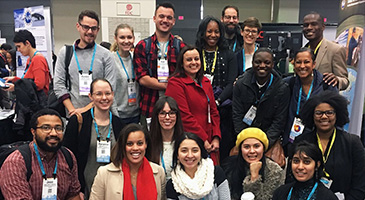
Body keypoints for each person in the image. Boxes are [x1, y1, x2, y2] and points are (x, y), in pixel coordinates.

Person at [294, 90, 365, 199]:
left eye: (329, 112)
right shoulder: (301, 141)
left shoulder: (352, 143)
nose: (324, 117)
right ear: (312, 115)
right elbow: (292, 178)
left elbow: (360, 184)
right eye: (318, 113)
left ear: (337, 114)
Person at [0, 109, 81, 200]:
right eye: (46, 128)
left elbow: (73, 194)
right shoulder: (16, 162)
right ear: (33, 132)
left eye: (58, 128)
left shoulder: (67, 156)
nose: (53, 133)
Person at [63, 78, 124, 199]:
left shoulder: (119, 124)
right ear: (91, 96)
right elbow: (67, 158)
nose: (104, 98)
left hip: (113, 189)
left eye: (107, 93)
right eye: (99, 94)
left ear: (113, 94)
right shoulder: (78, 121)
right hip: (85, 188)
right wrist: (75, 190)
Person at [54, 10, 118, 118]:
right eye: (86, 27)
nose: (89, 31)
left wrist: (84, 110)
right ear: (78, 26)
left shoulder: (106, 55)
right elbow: (59, 85)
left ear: (98, 30)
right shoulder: (65, 53)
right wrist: (73, 111)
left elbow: (110, 89)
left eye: (93, 28)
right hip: (73, 115)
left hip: (101, 115)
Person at [133, 2, 185, 130]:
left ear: (174, 21)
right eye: (161, 16)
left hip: (175, 108)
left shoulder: (181, 47)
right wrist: (170, 85)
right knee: (149, 145)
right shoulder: (142, 46)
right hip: (149, 106)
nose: (165, 20)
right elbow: (142, 78)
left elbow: (184, 77)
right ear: (154, 18)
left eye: (169, 18)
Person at [165, 45, 221, 165]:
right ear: (182, 63)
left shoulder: (206, 82)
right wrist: (203, 139)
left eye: (196, 59)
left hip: (210, 139)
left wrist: (216, 137)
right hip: (189, 139)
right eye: (189, 60)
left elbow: (214, 111)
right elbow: (184, 116)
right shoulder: (175, 83)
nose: (193, 62)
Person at [195, 16, 237, 162]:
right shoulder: (195, 52)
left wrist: (216, 102)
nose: (213, 35)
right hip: (199, 108)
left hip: (222, 109)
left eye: (217, 32)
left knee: (222, 147)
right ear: (202, 33)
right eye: (209, 31)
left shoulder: (228, 54)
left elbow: (231, 82)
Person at [89, 123, 166, 200]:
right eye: (130, 144)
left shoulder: (159, 172)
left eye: (140, 143)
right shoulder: (104, 173)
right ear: (123, 146)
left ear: (146, 144)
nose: (135, 148)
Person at [283, 48, 337, 153]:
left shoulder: (327, 84)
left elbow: (336, 116)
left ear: (313, 64)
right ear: (294, 64)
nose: (302, 66)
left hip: (320, 144)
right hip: (293, 143)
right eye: (298, 62)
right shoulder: (288, 84)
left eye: (306, 62)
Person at [233, 48, 289, 148]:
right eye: (258, 62)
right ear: (252, 63)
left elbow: (279, 122)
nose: (262, 66)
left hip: (269, 140)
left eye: (267, 62)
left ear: (273, 64)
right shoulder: (241, 84)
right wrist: (246, 141)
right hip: (245, 138)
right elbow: (237, 116)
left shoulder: (282, 88)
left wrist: (264, 144)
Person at [222, 127, 284, 200]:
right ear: (240, 149)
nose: (252, 151)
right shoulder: (228, 167)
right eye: (247, 147)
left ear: (263, 148)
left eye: (256, 146)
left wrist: (254, 177)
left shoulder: (275, 171)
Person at [166, 132, 231, 200]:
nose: (190, 155)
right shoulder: (173, 184)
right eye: (184, 151)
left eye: (195, 150)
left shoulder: (216, 173)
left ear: (201, 153)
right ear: (177, 155)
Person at [273, 141, 338, 200]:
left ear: (317, 165)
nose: (300, 167)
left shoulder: (328, 197)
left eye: (306, 162)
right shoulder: (280, 192)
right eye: (296, 161)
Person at [302, 12, 348, 90]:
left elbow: (345, 81)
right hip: (304, 100)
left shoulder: (335, 50)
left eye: (313, 24)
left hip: (324, 100)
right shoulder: (302, 51)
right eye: (306, 25)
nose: (309, 27)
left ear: (323, 27)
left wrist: (336, 80)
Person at [3, 30, 50, 94]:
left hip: (36, 101)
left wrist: (16, 87)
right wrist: (15, 79)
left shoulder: (38, 59)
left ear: (27, 43)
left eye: (19, 46)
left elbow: (38, 85)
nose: (18, 50)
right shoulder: (30, 59)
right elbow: (28, 81)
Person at [148, 96, 184, 179]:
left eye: (171, 113)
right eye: (162, 113)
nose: (167, 117)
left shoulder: (185, 141)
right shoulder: (148, 143)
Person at [110, 24, 140, 124]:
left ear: (134, 39)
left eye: (129, 37)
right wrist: (115, 115)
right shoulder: (110, 60)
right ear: (115, 39)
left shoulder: (137, 58)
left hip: (136, 114)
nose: (126, 41)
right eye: (122, 37)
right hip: (118, 115)